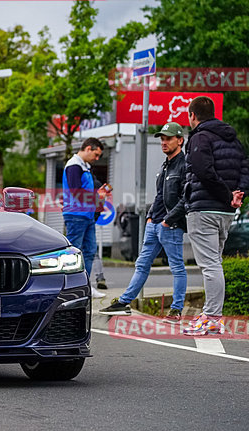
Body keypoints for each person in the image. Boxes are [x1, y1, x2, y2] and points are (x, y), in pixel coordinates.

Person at [100, 122, 188, 320]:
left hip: (171, 226)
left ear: (180, 140)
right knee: (141, 264)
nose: (164, 142)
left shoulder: (184, 166)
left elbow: (186, 199)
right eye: (162, 139)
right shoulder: (165, 165)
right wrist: (149, 216)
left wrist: (167, 220)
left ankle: (176, 309)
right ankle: (124, 302)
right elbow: (159, 195)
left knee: (177, 267)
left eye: (168, 138)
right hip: (154, 224)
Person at [182, 97, 249, 336]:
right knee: (215, 263)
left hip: (205, 209)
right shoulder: (233, 139)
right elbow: (245, 166)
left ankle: (212, 317)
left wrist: (225, 194)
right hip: (226, 212)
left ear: (193, 115)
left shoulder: (199, 137)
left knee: (209, 265)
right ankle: (212, 314)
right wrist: (238, 194)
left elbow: (203, 171)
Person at [62, 137, 107, 299]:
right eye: (96, 154)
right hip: (76, 215)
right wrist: (97, 195)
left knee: (89, 251)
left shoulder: (85, 166)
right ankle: (69, 288)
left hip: (86, 215)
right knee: (75, 252)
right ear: (88, 148)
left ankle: (84, 286)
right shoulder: (74, 165)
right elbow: (76, 192)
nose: (97, 159)